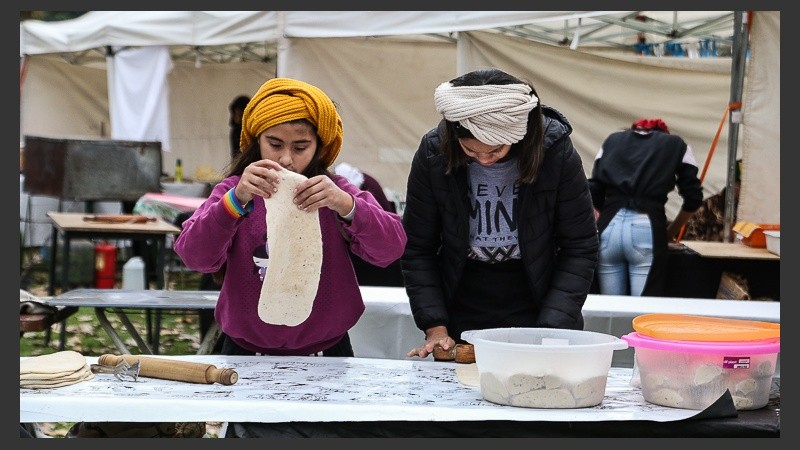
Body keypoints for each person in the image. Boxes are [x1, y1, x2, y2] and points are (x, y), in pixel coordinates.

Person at [173, 78, 407, 436]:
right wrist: (233, 203)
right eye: (274, 144)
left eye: (301, 147)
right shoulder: (233, 193)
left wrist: (347, 206)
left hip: (327, 355)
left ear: (321, 147)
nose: (285, 159)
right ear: (254, 142)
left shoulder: (336, 193)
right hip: (245, 355)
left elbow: (390, 248)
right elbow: (194, 257)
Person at [402, 68, 599, 360]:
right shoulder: (435, 152)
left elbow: (580, 247)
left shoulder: (554, 153)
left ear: (518, 135)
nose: (484, 160)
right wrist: (435, 326)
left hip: (539, 298)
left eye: (495, 151)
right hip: (462, 301)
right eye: (470, 150)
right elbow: (417, 247)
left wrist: (551, 330)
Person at [588, 118, 703, 297]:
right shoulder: (677, 145)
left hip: (608, 229)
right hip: (646, 228)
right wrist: (669, 233)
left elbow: (593, 193)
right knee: (641, 313)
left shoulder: (611, 141)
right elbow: (694, 198)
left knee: (609, 311)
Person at [681, 159, 742, 242]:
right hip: (713, 253)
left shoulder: (757, 209)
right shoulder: (709, 206)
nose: (742, 189)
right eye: (739, 184)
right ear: (732, 184)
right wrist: (721, 237)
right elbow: (689, 240)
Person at [228, 95, 251, 161]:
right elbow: (235, 153)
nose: (237, 116)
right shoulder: (235, 131)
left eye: (240, 113)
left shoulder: (251, 129)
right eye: (236, 113)